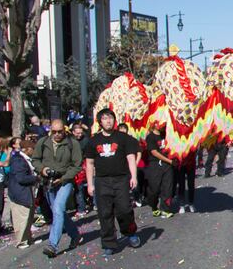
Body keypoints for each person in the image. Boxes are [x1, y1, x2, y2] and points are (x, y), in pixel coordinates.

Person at [84, 109, 142, 255]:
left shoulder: (123, 138)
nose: (108, 121)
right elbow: (89, 163)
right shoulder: (93, 141)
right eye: (104, 118)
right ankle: (109, 243)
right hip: (102, 181)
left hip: (121, 179)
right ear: (100, 122)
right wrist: (90, 184)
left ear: (114, 120)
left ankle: (130, 233)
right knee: (105, 213)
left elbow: (130, 158)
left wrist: (133, 176)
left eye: (110, 118)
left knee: (124, 209)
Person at [34, 119, 85, 258]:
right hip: (48, 181)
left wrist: (64, 178)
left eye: (60, 132)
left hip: (65, 181)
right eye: (54, 132)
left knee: (58, 208)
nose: (57, 134)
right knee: (59, 212)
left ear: (64, 130)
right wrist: (42, 170)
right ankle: (75, 235)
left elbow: (77, 165)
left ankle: (52, 245)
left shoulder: (72, 143)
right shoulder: (43, 142)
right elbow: (35, 160)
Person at [6, 139, 40, 248]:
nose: (34, 151)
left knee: (28, 217)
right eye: (32, 149)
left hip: (26, 192)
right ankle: (21, 242)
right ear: (26, 149)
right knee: (22, 218)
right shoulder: (18, 160)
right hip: (19, 193)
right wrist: (35, 178)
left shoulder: (25, 159)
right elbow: (21, 178)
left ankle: (28, 239)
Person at [142, 120, 176, 219]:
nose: (160, 124)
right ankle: (153, 206)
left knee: (168, 187)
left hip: (167, 165)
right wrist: (169, 161)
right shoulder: (150, 137)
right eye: (158, 122)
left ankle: (165, 209)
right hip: (155, 165)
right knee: (154, 188)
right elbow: (154, 152)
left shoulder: (167, 134)